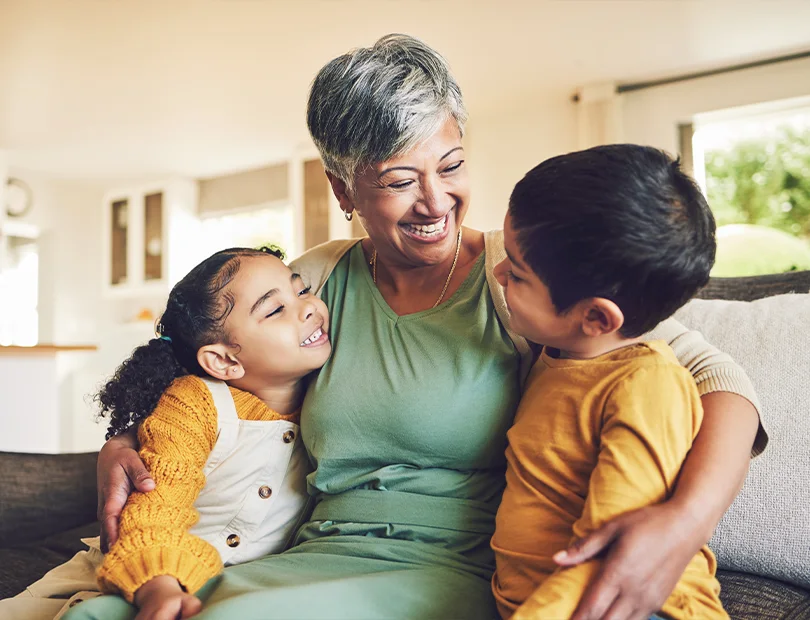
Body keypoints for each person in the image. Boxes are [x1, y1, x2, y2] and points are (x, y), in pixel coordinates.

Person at [68, 34, 765, 620]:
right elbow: (215, 369)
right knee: (98, 613)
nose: (436, 202)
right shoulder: (316, 281)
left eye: (451, 166)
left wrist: (683, 523)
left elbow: (714, 378)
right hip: (313, 554)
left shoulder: (525, 278)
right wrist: (127, 443)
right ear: (343, 189)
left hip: (446, 570)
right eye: (400, 181)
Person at [3, 246, 330, 620]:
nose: (308, 307)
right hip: (128, 580)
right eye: (275, 310)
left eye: (302, 290)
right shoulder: (194, 403)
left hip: (234, 592)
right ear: (223, 360)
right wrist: (159, 586)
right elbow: (154, 511)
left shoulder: (327, 397)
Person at [491, 145, 729, 619]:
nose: (497, 273)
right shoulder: (557, 356)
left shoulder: (646, 386)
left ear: (597, 318)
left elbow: (610, 556)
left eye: (516, 274)